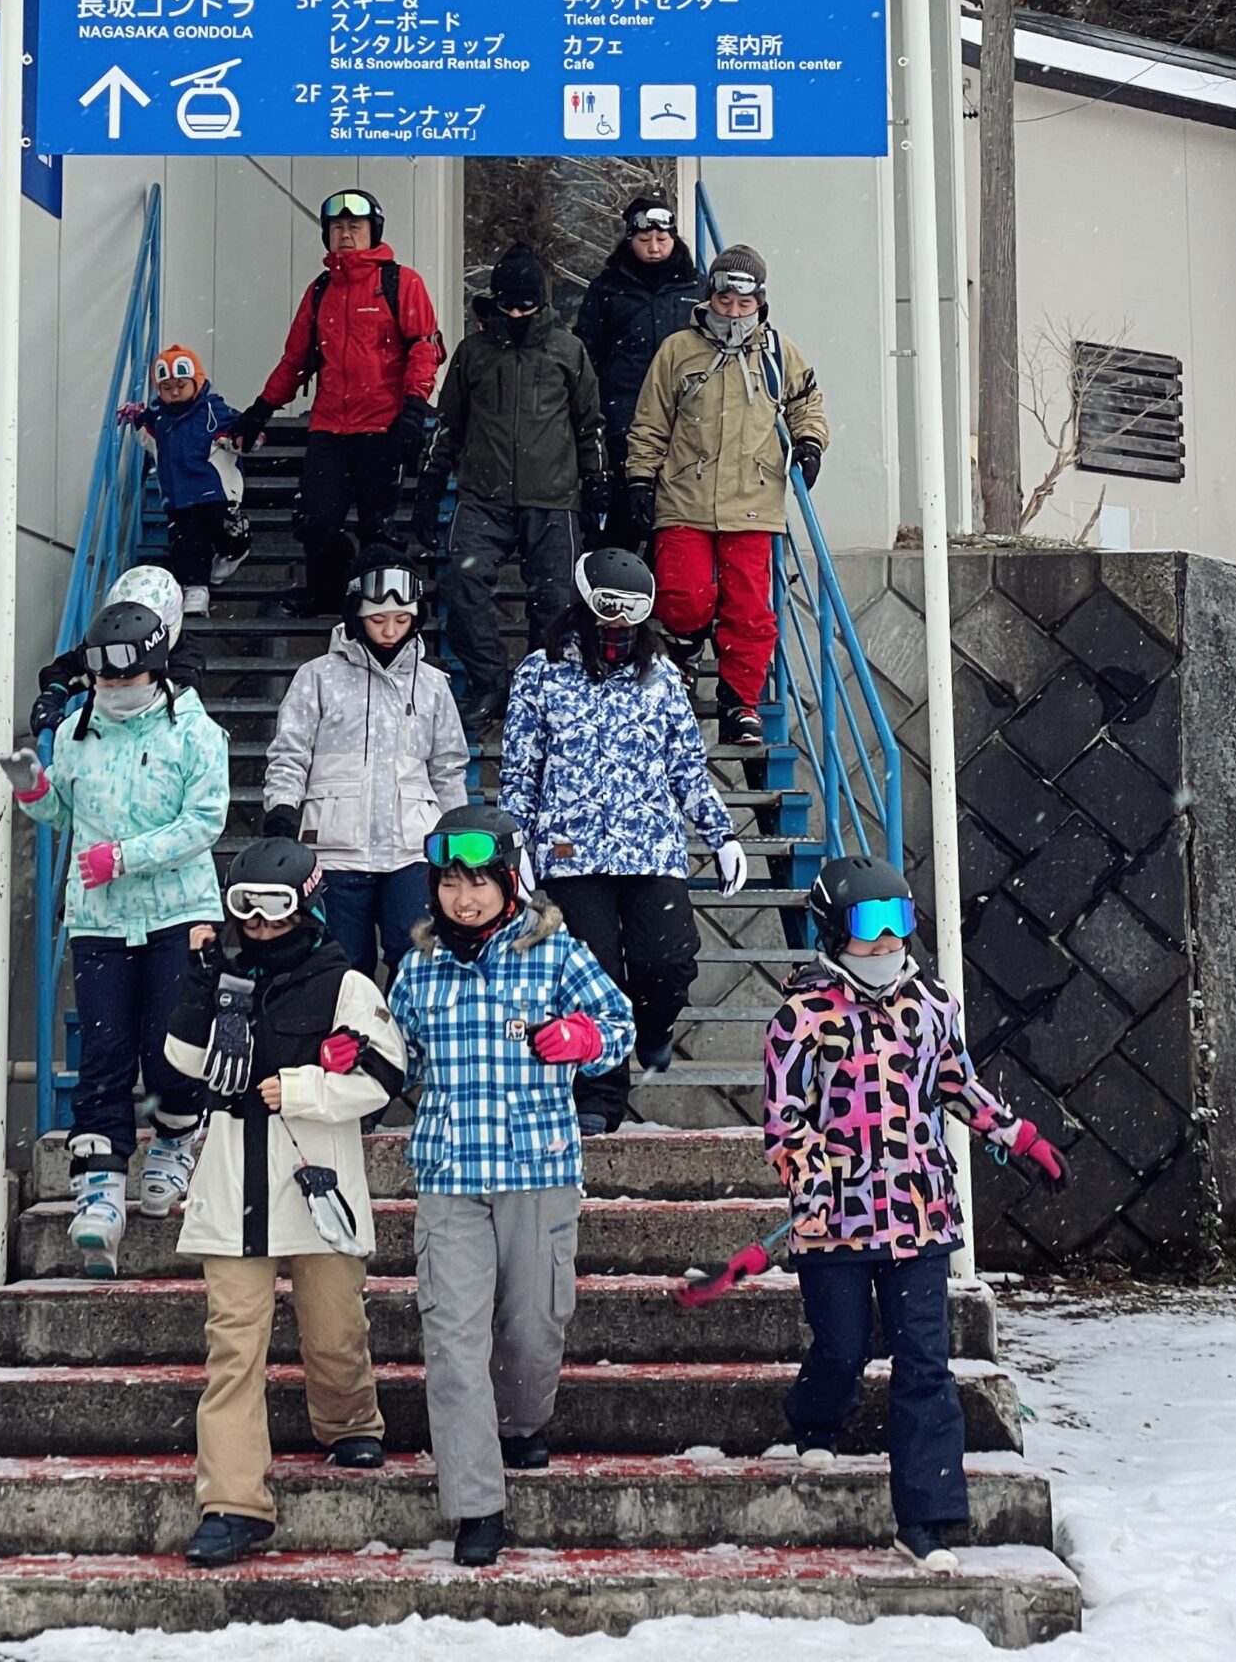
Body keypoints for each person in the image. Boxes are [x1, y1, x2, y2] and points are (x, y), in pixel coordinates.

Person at [763, 854, 1069, 1574]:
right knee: (843, 1347)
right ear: (835, 932)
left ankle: (928, 1520)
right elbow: (783, 1123)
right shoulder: (800, 1016)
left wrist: (1015, 1134)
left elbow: (956, 1083)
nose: (886, 944)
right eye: (870, 928)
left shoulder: (931, 1006)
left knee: (926, 1365)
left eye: (899, 925)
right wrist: (815, 1178)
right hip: (833, 1221)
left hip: (918, 1215)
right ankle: (815, 1416)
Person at [389, 805, 634, 1570]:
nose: (464, 899)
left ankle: (525, 1420)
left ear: (509, 883)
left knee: (532, 1326)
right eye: (451, 884)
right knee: (454, 1343)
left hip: (539, 1173)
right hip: (451, 1176)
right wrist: (356, 1061)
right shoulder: (417, 967)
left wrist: (584, 1037)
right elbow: (399, 1058)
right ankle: (475, 1507)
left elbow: (618, 1021)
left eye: (480, 884)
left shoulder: (554, 949)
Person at [165, 836, 407, 1568]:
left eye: (275, 907)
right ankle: (233, 1502)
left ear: (306, 903)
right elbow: (179, 1060)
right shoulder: (222, 973)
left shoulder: (345, 984)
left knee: (334, 1327)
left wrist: (302, 1088)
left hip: (315, 1178)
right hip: (234, 1177)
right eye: (246, 908)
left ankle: (348, 1420)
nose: (261, 923)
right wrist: (201, 982)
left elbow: (384, 1076)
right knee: (234, 1345)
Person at [0, 593, 229, 1273]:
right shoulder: (77, 728)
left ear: (154, 673)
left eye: (125, 680)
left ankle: (175, 1139)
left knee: (171, 1047)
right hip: (100, 919)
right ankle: (98, 1188)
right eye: (102, 679)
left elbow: (205, 822)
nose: (113, 690)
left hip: (177, 913)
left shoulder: (194, 733)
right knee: (103, 1055)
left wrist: (125, 857)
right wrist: (32, 787)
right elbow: (63, 811)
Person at [497, 547, 745, 1134]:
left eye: (632, 611)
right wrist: (519, 844)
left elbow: (686, 766)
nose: (618, 623)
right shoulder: (540, 674)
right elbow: (519, 770)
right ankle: (601, 1096)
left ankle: (654, 1027)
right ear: (584, 605)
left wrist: (722, 833)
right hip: (569, 852)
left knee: (668, 961)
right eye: (608, 608)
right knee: (592, 977)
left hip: (650, 847)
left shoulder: (663, 681)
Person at [624, 242, 829, 750]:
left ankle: (742, 702)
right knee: (684, 595)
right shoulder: (676, 351)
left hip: (753, 500)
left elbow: (807, 402)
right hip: (684, 495)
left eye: (744, 304)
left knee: (749, 611)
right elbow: (650, 423)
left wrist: (809, 443)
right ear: (709, 297)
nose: (733, 312)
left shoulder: (779, 352)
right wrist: (640, 479)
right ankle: (684, 652)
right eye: (723, 302)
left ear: (759, 301)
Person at [409, 244, 607, 733]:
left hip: (553, 498)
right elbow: (448, 426)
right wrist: (429, 489)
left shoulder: (568, 350)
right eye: (508, 306)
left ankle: (541, 688)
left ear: (541, 303)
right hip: (483, 496)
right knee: (462, 582)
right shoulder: (473, 352)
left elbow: (590, 426)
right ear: (494, 303)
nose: (517, 314)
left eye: (526, 306)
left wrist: (598, 483)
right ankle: (488, 682)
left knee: (556, 599)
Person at [229, 191, 444, 619]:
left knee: (376, 525)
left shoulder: (401, 282)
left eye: (355, 228)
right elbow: (296, 360)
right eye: (337, 228)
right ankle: (328, 590)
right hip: (330, 426)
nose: (345, 235)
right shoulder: (320, 290)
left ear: (372, 233)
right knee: (315, 521)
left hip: (382, 425)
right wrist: (261, 409)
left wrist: (415, 407)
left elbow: (425, 346)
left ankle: (382, 605)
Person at [263, 546, 469, 984]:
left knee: (415, 958)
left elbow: (448, 766)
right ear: (356, 614)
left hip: (413, 847)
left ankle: (405, 1046)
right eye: (378, 620)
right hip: (335, 848)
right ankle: (343, 1047)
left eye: (402, 620)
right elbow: (290, 752)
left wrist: (455, 835)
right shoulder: (316, 676)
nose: (391, 631)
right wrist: (282, 809)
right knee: (340, 964)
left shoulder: (432, 684)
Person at [573, 195, 699, 547]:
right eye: (645, 240)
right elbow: (587, 353)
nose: (654, 247)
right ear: (630, 240)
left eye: (662, 239)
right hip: (622, 417)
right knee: (621, 519)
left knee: (678, 521)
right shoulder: (607, 288)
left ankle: (669, 595)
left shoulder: (696, 289)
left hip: (686, 419)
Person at [116, 344, 245, 616]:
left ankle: (235, 549)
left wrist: (246, 439)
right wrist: (136, 416)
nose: (174, 392)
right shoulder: (160, 417)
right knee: (187, 540)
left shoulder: (214, 409)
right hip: (180, 494)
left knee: (220, 528)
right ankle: (196, 588)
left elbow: (239, 430)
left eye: (181, 385)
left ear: (196, 382)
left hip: (215, 489)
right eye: (166, 387)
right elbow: (148, 433)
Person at [28, 563, 197, 744]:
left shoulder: (185, 667)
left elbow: (167, 727)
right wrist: (54, 695)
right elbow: (65, 669)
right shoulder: (110, 647)